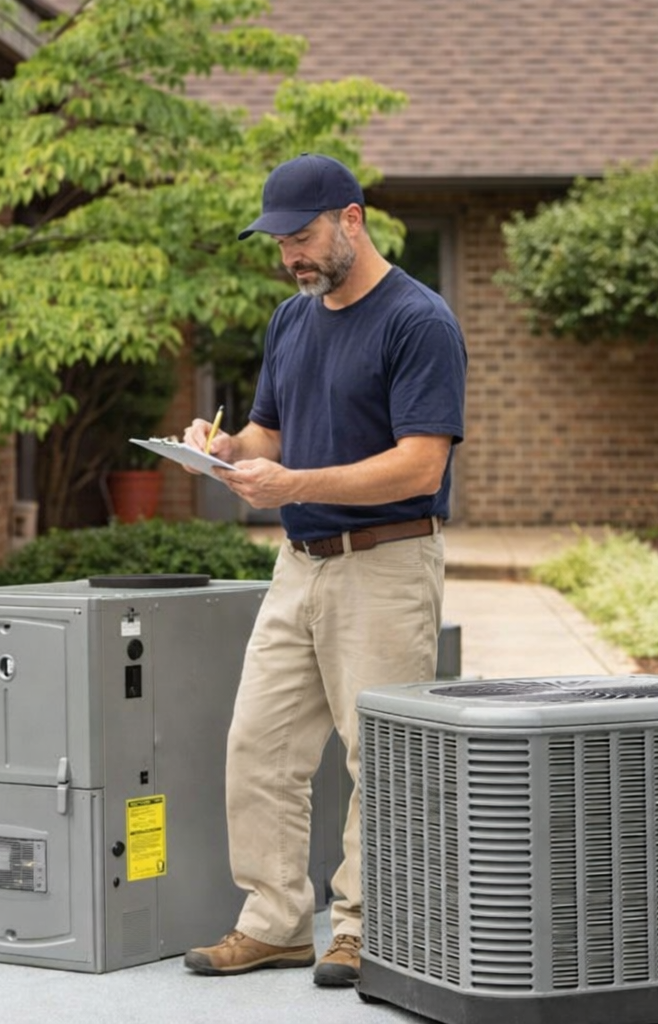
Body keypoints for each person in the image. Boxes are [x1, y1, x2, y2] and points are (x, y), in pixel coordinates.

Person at [179, 153, 467, 987]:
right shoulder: (291, 319)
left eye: (302, 237)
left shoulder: (419, 322)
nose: (291, 257)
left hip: (384, 563)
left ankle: (365, 929)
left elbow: (419, 466)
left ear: (352, 219)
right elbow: (268, 432)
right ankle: (273, 922)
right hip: (298, 565)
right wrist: (227, 450)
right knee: (258, 745)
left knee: (378, 757)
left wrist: (289, 482)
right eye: (278, 243)